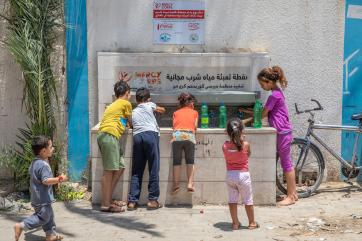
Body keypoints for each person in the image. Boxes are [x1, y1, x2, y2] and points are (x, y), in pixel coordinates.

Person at [253, 66, 297, 206]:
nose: (261, 86)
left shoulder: (274, 95)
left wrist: (253, 115)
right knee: (286, 163)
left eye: (262, 84)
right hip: (283, 131)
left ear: (269, 82)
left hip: (283, 132)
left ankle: (291, 196)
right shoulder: (277, 92)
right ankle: (293, 194)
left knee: (286, 164)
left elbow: (264, 113)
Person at [14, 136, 67, 241]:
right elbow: (45, 181)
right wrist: (59, 179)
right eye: (51, 147)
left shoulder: (35, 162)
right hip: (42, 198)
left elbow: (35, 176)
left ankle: (50, 235)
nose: (53, 149)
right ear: (43, 151)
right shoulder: (43, 165)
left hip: (36, 196)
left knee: (49, 215)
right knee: (43, 217)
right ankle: (21, 226)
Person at [127, 87, 165, 210]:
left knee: (137, 170)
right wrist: (153, 106)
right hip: (150, 135)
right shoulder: (150, 104)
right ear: (148, 99)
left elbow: (131, 125)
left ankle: (132, 201)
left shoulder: (133, 111)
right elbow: (162, 110)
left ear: (137, 99)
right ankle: (153, 200)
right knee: (154, 167)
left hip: (137, 136)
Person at [97, 81, 132, 212]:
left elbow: (122, 121)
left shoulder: (113, 105)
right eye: (129, 94)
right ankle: (105, 204)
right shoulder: (125, 103)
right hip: (109, 136)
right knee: (109, 171)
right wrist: (130, 124)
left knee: (120, 167)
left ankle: (107, 199)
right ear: (127, 93)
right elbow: (131, 121)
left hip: (108, 136)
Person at [222, 118, 259, 230]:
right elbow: (247, 155)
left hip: (230, 175)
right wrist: (241, 139)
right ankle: (252, 223)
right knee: (248, 200)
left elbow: (230, 143)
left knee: (232, 200)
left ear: (228, 132)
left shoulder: (224, 146)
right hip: (243, 175)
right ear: (242, 131)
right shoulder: (246, 145)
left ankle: (235, 223)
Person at [171, 92, 198, 194]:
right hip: (189, 136)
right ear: (190, 103)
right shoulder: (195, 112)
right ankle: (190, 184)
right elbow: (195, 127)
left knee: (176, 162)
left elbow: (174, 126)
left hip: (177, 136)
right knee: (190, 161)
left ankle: (176, 185)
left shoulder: (176, 112)